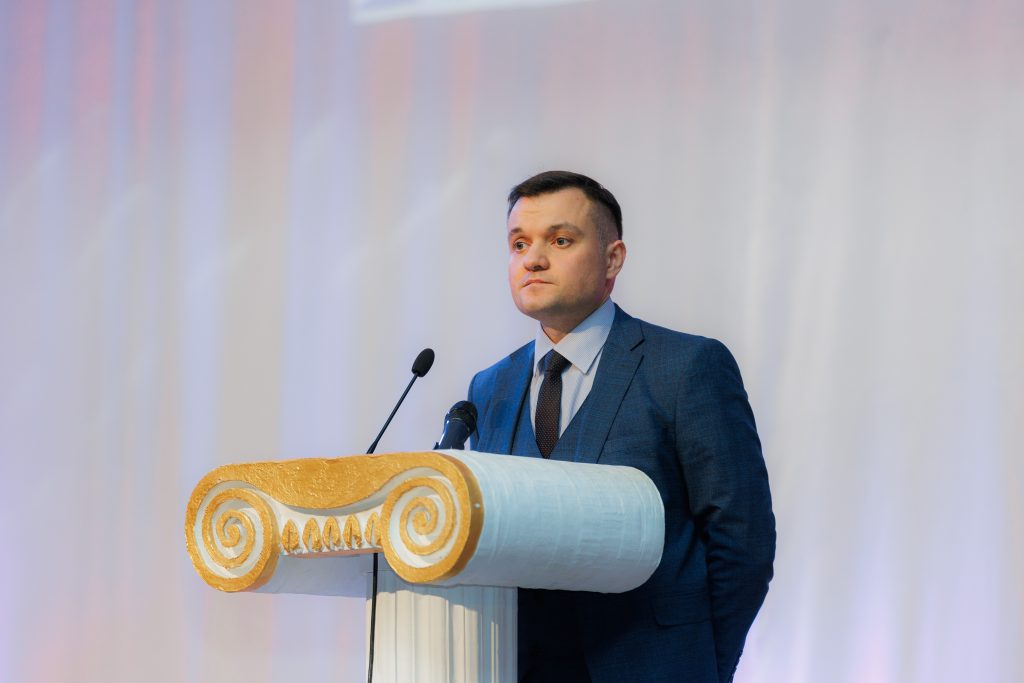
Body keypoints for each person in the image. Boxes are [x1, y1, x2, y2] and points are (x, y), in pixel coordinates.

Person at [467, 171, 776, 683]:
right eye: (519, 243)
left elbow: (742, 543)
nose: (533, 259)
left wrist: (701, 666)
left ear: (612, 258)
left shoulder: (686, 367)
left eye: (560, 240)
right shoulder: (489, 388)